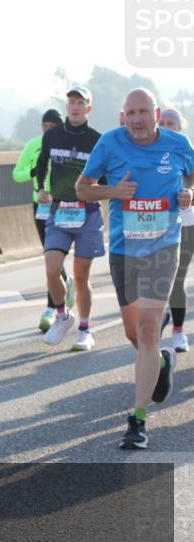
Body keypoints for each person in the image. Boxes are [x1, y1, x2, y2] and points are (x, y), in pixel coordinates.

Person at [75, 88, 193, 449]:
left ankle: (137, 421)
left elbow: (190, 176)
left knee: (146, 328)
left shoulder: (178, 144)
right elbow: (82, 189)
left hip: (163, 246)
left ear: (156, 114)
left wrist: (188, 192)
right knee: (134, 335)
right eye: (132, 113)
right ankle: (159, 362)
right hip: (125, 250)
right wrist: (114, 192)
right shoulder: (110, 144)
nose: (138, 119)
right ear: (123, 116)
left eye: (144, 111)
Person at [36, 86, 104, 351]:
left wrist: (98, 189)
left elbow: (106, 176)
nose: (75, 106)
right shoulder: (53, 135)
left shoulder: (98, 140)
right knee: (52, 269)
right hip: (58, 210)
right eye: (71, 101)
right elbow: (42, 163)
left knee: (81, 275)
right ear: (67, 106)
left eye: (81, 102)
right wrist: (41, 186)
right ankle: (63, 316)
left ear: (89, 107)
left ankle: (85, 330)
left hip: (86, 211)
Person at [12, 108, 76, 331]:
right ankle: (66, 284)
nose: (48, 130)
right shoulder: (33, 145)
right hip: (41, 207)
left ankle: (51, 309)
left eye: (52, 126)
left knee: (54, 257)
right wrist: (31, 172)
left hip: (64, 205)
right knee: (50, 255)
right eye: (44, 126)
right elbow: (16, 174)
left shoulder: (68, 143)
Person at [158, 107, 193, 353]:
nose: (167, 126)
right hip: (164, 223)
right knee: (170, 279)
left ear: (181, 127)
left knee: (178, 277)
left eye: (172, 122)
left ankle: (178, 330)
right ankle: (172, 329)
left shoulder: (186, 150)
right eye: (163, 122)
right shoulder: (150, 151)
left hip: (189, 221)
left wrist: (190, 193)